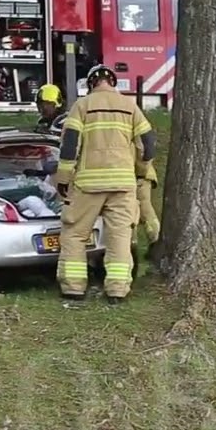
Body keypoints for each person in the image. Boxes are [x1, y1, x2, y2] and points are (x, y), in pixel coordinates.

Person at [55, 64, 155, 304]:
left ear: (90, 84)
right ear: (113, 82)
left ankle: (73, 288)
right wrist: (141, 172)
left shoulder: (82, 106)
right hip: (122, 184)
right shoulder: (130, 107)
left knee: (75, 234)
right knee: (120, 236)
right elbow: (148, 145)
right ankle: (117, 290)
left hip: (88, 184)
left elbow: (69, 146)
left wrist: (63, 179)